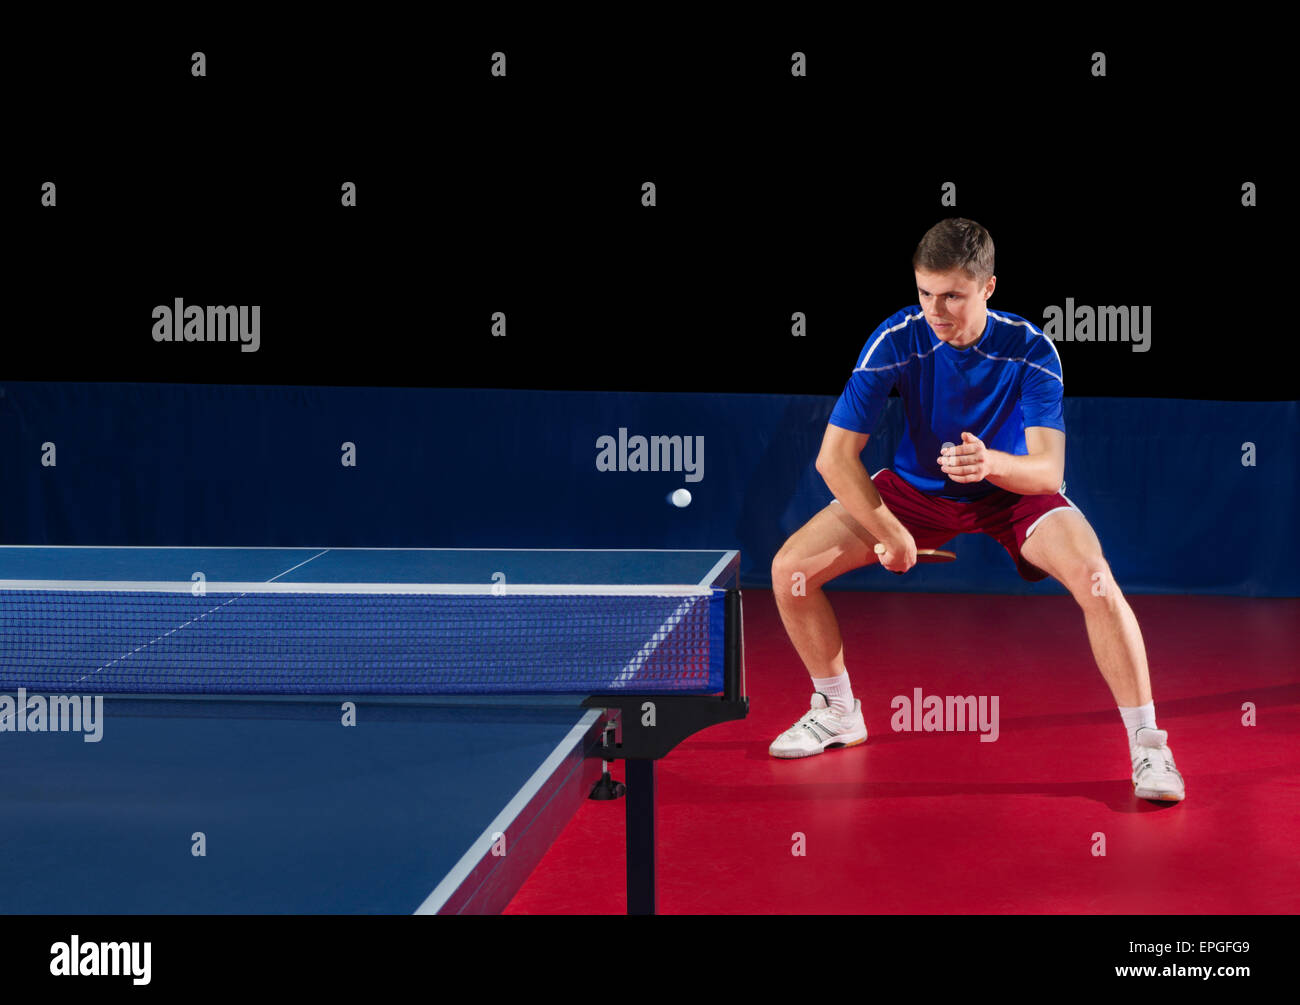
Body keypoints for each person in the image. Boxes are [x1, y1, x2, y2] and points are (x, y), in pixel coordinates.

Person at [768, 218, 1184, 803]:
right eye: (924, 292)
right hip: (916, 489)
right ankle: (838, 712)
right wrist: (890, 531)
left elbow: (1048, 471)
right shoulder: (897, 339)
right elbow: (834, 458)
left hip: (1010, 491)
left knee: (1097, 582)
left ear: (988, 287)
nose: (935, 309)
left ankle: (1148, 747)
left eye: (952, 296)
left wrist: (991, 464)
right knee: (791, 572)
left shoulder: (1030, 349)